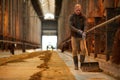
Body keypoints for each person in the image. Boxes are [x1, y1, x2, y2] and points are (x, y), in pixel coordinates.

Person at [69, 4, 87, 70]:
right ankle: (76, 65)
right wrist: (78, 31)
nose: (78, 11)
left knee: (83, 49)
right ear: (74, 10)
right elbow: (71, 26)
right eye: (77, 10)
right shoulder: (71, 17)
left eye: (79, 10)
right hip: (74, 36)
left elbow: (85, 25)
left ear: (80, 10)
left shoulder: (83, 17)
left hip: (82, 36)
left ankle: (82, 64)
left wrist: (84, 31)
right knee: (74, 50)